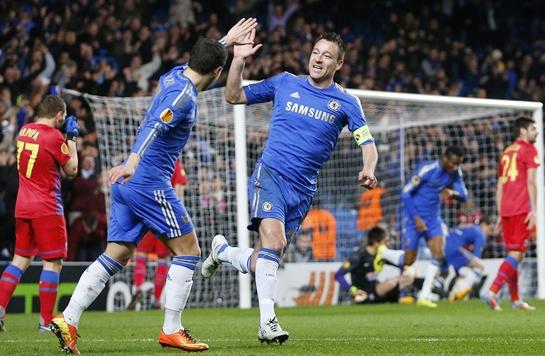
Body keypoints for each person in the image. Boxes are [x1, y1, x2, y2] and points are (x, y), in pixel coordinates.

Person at [49, 18, 258, 354]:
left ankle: (68, 318)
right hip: (147, 180)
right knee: (189, 251)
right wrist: (132, 161)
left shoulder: (173, 75)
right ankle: (171, 330)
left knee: (116, 254)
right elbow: (156, 127)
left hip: (129, 186)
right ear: (218, 72)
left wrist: (226, 41)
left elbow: (203, 61)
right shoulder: (185, 97)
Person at [201, 30, 378, 344]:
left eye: (326, 55)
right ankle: (267, 323)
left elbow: (367, 142)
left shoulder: (347, 102)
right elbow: (233, 96)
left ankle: (224, 253)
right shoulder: (285, 82)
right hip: (270, 174)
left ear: (339, 63)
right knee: (275, 241)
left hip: (303, 190)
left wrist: (368, 167)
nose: (318, 58)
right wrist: (238, 62)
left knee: (265, 255)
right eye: (315, 51)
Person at [0, 95, 79, 332]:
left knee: (20, 260)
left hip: (23, 205)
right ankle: (45, 322)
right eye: (63, 117)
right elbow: (72, 170)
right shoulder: (54, 137)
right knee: (52, 263)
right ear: (58, 116)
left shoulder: (24, 130)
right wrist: (72, 139)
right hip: (46, 207)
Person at [401, 147, 468, 308]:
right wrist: (416, 218)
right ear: (445, 158)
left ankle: (424, 295)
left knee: (438, 254)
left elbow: (464, 196)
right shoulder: (427, 169)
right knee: (408, 261)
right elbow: (405, 193)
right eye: (453, 163)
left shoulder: (455, 173)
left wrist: (452, 193)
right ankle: (385, 255)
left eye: (458, 164)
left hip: (433, 220)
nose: (456, 167)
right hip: (414, 219)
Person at [485, 117, 539, 311]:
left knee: (515, 254)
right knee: (517, 253)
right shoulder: (529, 149)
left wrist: (500, 212)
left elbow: (499, 185)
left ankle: (516, 299)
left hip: (507, 209)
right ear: (523, 131)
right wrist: (534, 209)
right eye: (533, 129)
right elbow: (531, 182)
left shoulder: (507, 151)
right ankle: (492, 291)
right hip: (520, 207)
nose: (537, 132)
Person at [128, 159, 187, 310]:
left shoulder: (148, 161)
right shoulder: (176, 165)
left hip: (147, 214)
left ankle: (138, 287)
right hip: (165, 217)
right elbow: (178, 193)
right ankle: (156, 299)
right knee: (163, 258)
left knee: (141, 254)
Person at [334, 226, 415, 304]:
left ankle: (401, 296)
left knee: (409, 276)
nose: (386, 244)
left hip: (376, 289)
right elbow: (338, 275)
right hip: (363, 294)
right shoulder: (358, 256)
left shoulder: (381, 255)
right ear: (376, 243)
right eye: (384, 242)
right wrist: (351, 290)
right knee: (392, 282)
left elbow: (400, 266)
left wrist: (406, 269)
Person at [445, 217, 494, 302]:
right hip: (454, 248)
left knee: (461, 272)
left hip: (444, 245)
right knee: (479, 267)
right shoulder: (480, 234)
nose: (490, 232)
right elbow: (476, 257)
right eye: (490, 229)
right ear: (484, 225)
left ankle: (454, 295)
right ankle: (461, 290)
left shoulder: (471, 228)